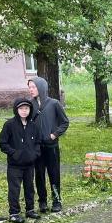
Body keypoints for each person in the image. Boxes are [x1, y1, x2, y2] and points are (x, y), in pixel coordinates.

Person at [28, 77, 69, 213]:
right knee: (39, 175)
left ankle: (57, 201)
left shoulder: (54, 103)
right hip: (37, 147)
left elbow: (64, 122)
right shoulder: (29, 104)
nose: (31, 90)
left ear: (41, 87)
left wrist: (54, 134)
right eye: (29, 87)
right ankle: (42, 202)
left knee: (54, 174)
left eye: (33, 87)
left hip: (51, 147)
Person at [0, 98, 41, 223]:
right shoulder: (9, 125)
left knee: (29, 187)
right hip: (14, 165)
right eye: (21, 109)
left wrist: (35, 154)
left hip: (29, 164)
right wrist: (14, 153)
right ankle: (14, 213)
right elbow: (2, 143)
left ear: (30, 110)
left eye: (26, 109)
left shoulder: (33, 125)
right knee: (14, 189)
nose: (24, 111)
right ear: (16, 110)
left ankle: (30, 210)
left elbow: (38, 142)